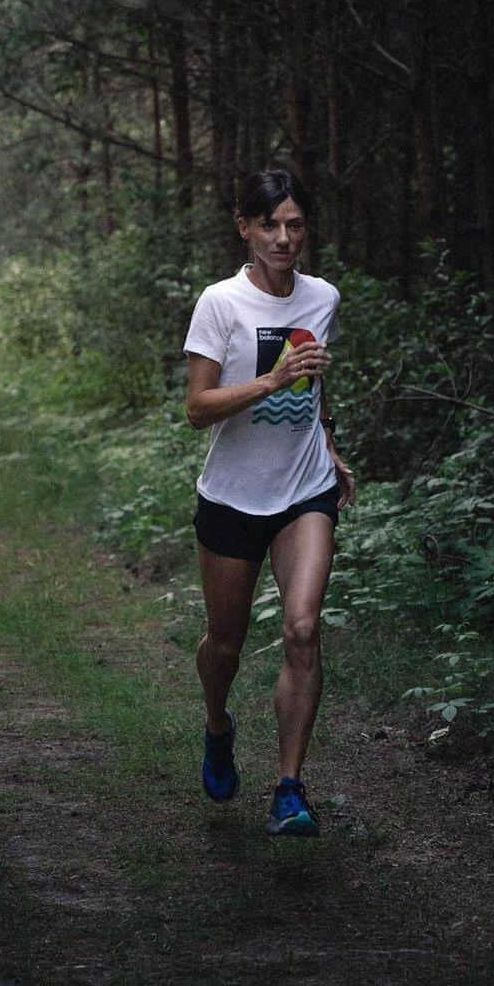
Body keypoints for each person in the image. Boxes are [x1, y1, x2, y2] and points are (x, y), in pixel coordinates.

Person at [183, 168, 355, 837]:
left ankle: (289, 788)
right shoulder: (220, 304)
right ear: (245, 228)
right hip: (232, 496)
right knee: (224, 647)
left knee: (304, 627)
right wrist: (269, 379)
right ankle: (217, 724)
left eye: (296, 225)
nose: (285, 239)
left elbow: (311, 389)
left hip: (303, 488)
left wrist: (330, 443)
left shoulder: (323, 298)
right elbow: (198, 410)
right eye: (271, 225)